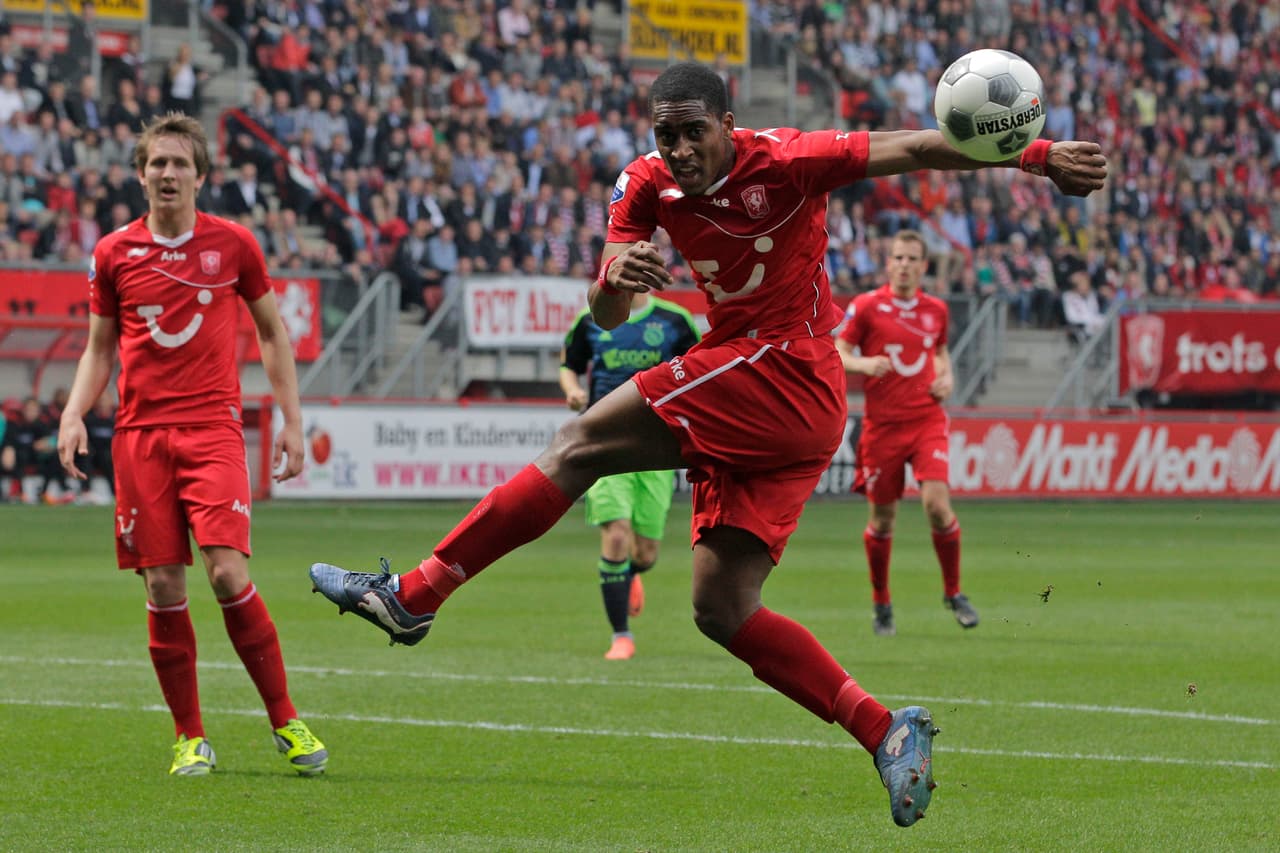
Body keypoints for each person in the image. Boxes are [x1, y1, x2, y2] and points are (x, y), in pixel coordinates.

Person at [310, 62, 1106, 826]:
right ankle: (884, 729)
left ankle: (416, 594)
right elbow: (608, 313)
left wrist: (1036, 156)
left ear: (727, 124)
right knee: (720, 608)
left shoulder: (789, 161)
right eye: (667, 136)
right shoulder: (643, 185)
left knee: (578, 445)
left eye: (695, 133)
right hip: (774, 397)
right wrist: (614, 277)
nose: (681, 150)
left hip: (785, 367)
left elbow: (918, 146)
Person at [56, 113, 328, 778]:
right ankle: (190, 736)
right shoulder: (113, 253)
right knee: (163, 582)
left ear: (201, 176)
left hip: (213, 430)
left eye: (180, 163)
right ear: (140, 174)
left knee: (228, 571)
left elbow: (272, 333)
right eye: (158, 163)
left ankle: (285, 719)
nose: (169, 173)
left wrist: (292, 421)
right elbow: (99, 348)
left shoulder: (233, 244)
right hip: (140, 436)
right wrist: (72, 412)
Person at [836, 230, 978, 638]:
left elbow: (940, 352)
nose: (904, 265)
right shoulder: (866, 306)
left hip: (926, 420)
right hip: (882, 428)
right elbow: (838, 353)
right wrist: (865, 365)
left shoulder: (936, 310)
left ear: (923, 266)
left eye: (912, 259)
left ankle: (953, 592)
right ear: (888, 263)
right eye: (898, 257)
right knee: (882, 521)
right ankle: (881, 603)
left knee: (937, 505)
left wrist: (948, 378)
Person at [558, 290, 701, 660]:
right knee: (617, 533)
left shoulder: (675, 321)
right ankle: (621, 636)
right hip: (603, 442)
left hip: (656, 447)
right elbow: (569, 363)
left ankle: (630, 573)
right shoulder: (590, 320)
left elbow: (700, 369)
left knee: (646, 553)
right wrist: (573, 391)